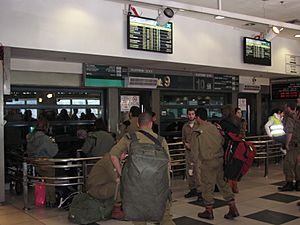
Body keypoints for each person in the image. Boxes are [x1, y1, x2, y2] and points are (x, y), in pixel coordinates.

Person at [110, 112, 175, 225]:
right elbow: (168, 164)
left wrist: (122, 174)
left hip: (136, 186)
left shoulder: (129, 138)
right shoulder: (161, 140)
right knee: (165, 217)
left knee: (138, 218)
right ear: (151, 123)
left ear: (138, 124)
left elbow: (113, 155)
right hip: (158, 186)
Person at [190, 108, 239, 220]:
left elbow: (194, 151)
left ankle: (208, 211)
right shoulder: (215, 128)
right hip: (219, 160)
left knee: (207, 186)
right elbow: (222, 141)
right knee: (223, 184)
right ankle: (233, 208)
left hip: (207, 162)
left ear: (197, 117)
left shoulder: (197, 131)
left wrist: (194, 164)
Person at [26, 118, 59, 207]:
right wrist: (54, 142)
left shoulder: (30, 137)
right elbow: (53, 151)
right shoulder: (45, 139)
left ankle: (44, 199)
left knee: (43, 180)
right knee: (50, 182)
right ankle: (51, 201)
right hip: (46, 162)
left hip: (35, 161)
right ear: (46, 127)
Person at [87, 153, 127, 220]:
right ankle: (116, 210)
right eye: (124, 154)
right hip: (96, 189)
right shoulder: (108, 162)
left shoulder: (109, 159)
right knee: (119, 184)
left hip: (99, 187)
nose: (125, 156)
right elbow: (116, 178)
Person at [220, 105, 242, 194]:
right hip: (237, 146)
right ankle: (235, 186)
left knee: (227, 166)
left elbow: (223, 134)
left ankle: (228, 187)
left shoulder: (224, 122)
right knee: (234, 166)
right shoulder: (237, 121)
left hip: (227, 146)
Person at [278, 103, 300, 191]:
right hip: (298, 145)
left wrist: (286, 144)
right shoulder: (296, 118)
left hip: (293, 145)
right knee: (297, 165)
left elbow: (289, 132)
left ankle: (289, 183)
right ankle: (298, 184)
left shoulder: (290, 118)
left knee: (288, 164)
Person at [182, 108, 201, 199]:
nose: (191, 116)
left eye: (192, 114)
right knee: (189, 171)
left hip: (197, 153)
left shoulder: (199, 126)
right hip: (188, 153)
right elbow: (183, 139)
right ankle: (192, 189)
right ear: (187, 115)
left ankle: (200, 191)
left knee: (198, 171)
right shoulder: (185, 127)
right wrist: (185, 144)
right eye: (189, 114)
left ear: (195, 115)